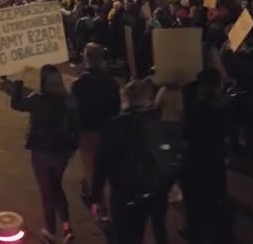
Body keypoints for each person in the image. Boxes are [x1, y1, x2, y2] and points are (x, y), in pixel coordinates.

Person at [91, 80, 167, 244]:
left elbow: (102, 161)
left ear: (125, 98)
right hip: (151, 187)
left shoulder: (114, 125)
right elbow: (165, 154)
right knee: (146, 230)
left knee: (124, 234)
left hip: (124, 190)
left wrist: (96, 193)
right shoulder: (157, 122)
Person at [11, 65, 79, 244]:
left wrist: (19, 81)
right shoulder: (69, 100)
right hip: (61, 153)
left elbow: (16, 104)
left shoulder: (37, 99)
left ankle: (50, 230)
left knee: (47, 192)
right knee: (56, 187)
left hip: (41, 152)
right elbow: (76, 127)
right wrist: (72, 148)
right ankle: (66, 228)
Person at [181, 69, 232, 244]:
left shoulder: (198, 109)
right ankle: (216, 230)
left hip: (196, 158)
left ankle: (195, 231)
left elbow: (187, 133)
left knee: (194, 197)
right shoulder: (223, 106)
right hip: (215, 158)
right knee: (215, 195)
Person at [71, 43, 120, 211]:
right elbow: (116, 110)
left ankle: (100, 208)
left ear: (87, 58)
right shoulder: (112, 83)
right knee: (109, 170)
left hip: (87, 132)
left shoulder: (78, 84)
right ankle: (111, 205)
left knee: (92, 169)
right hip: (108, 131)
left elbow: (75, 111)